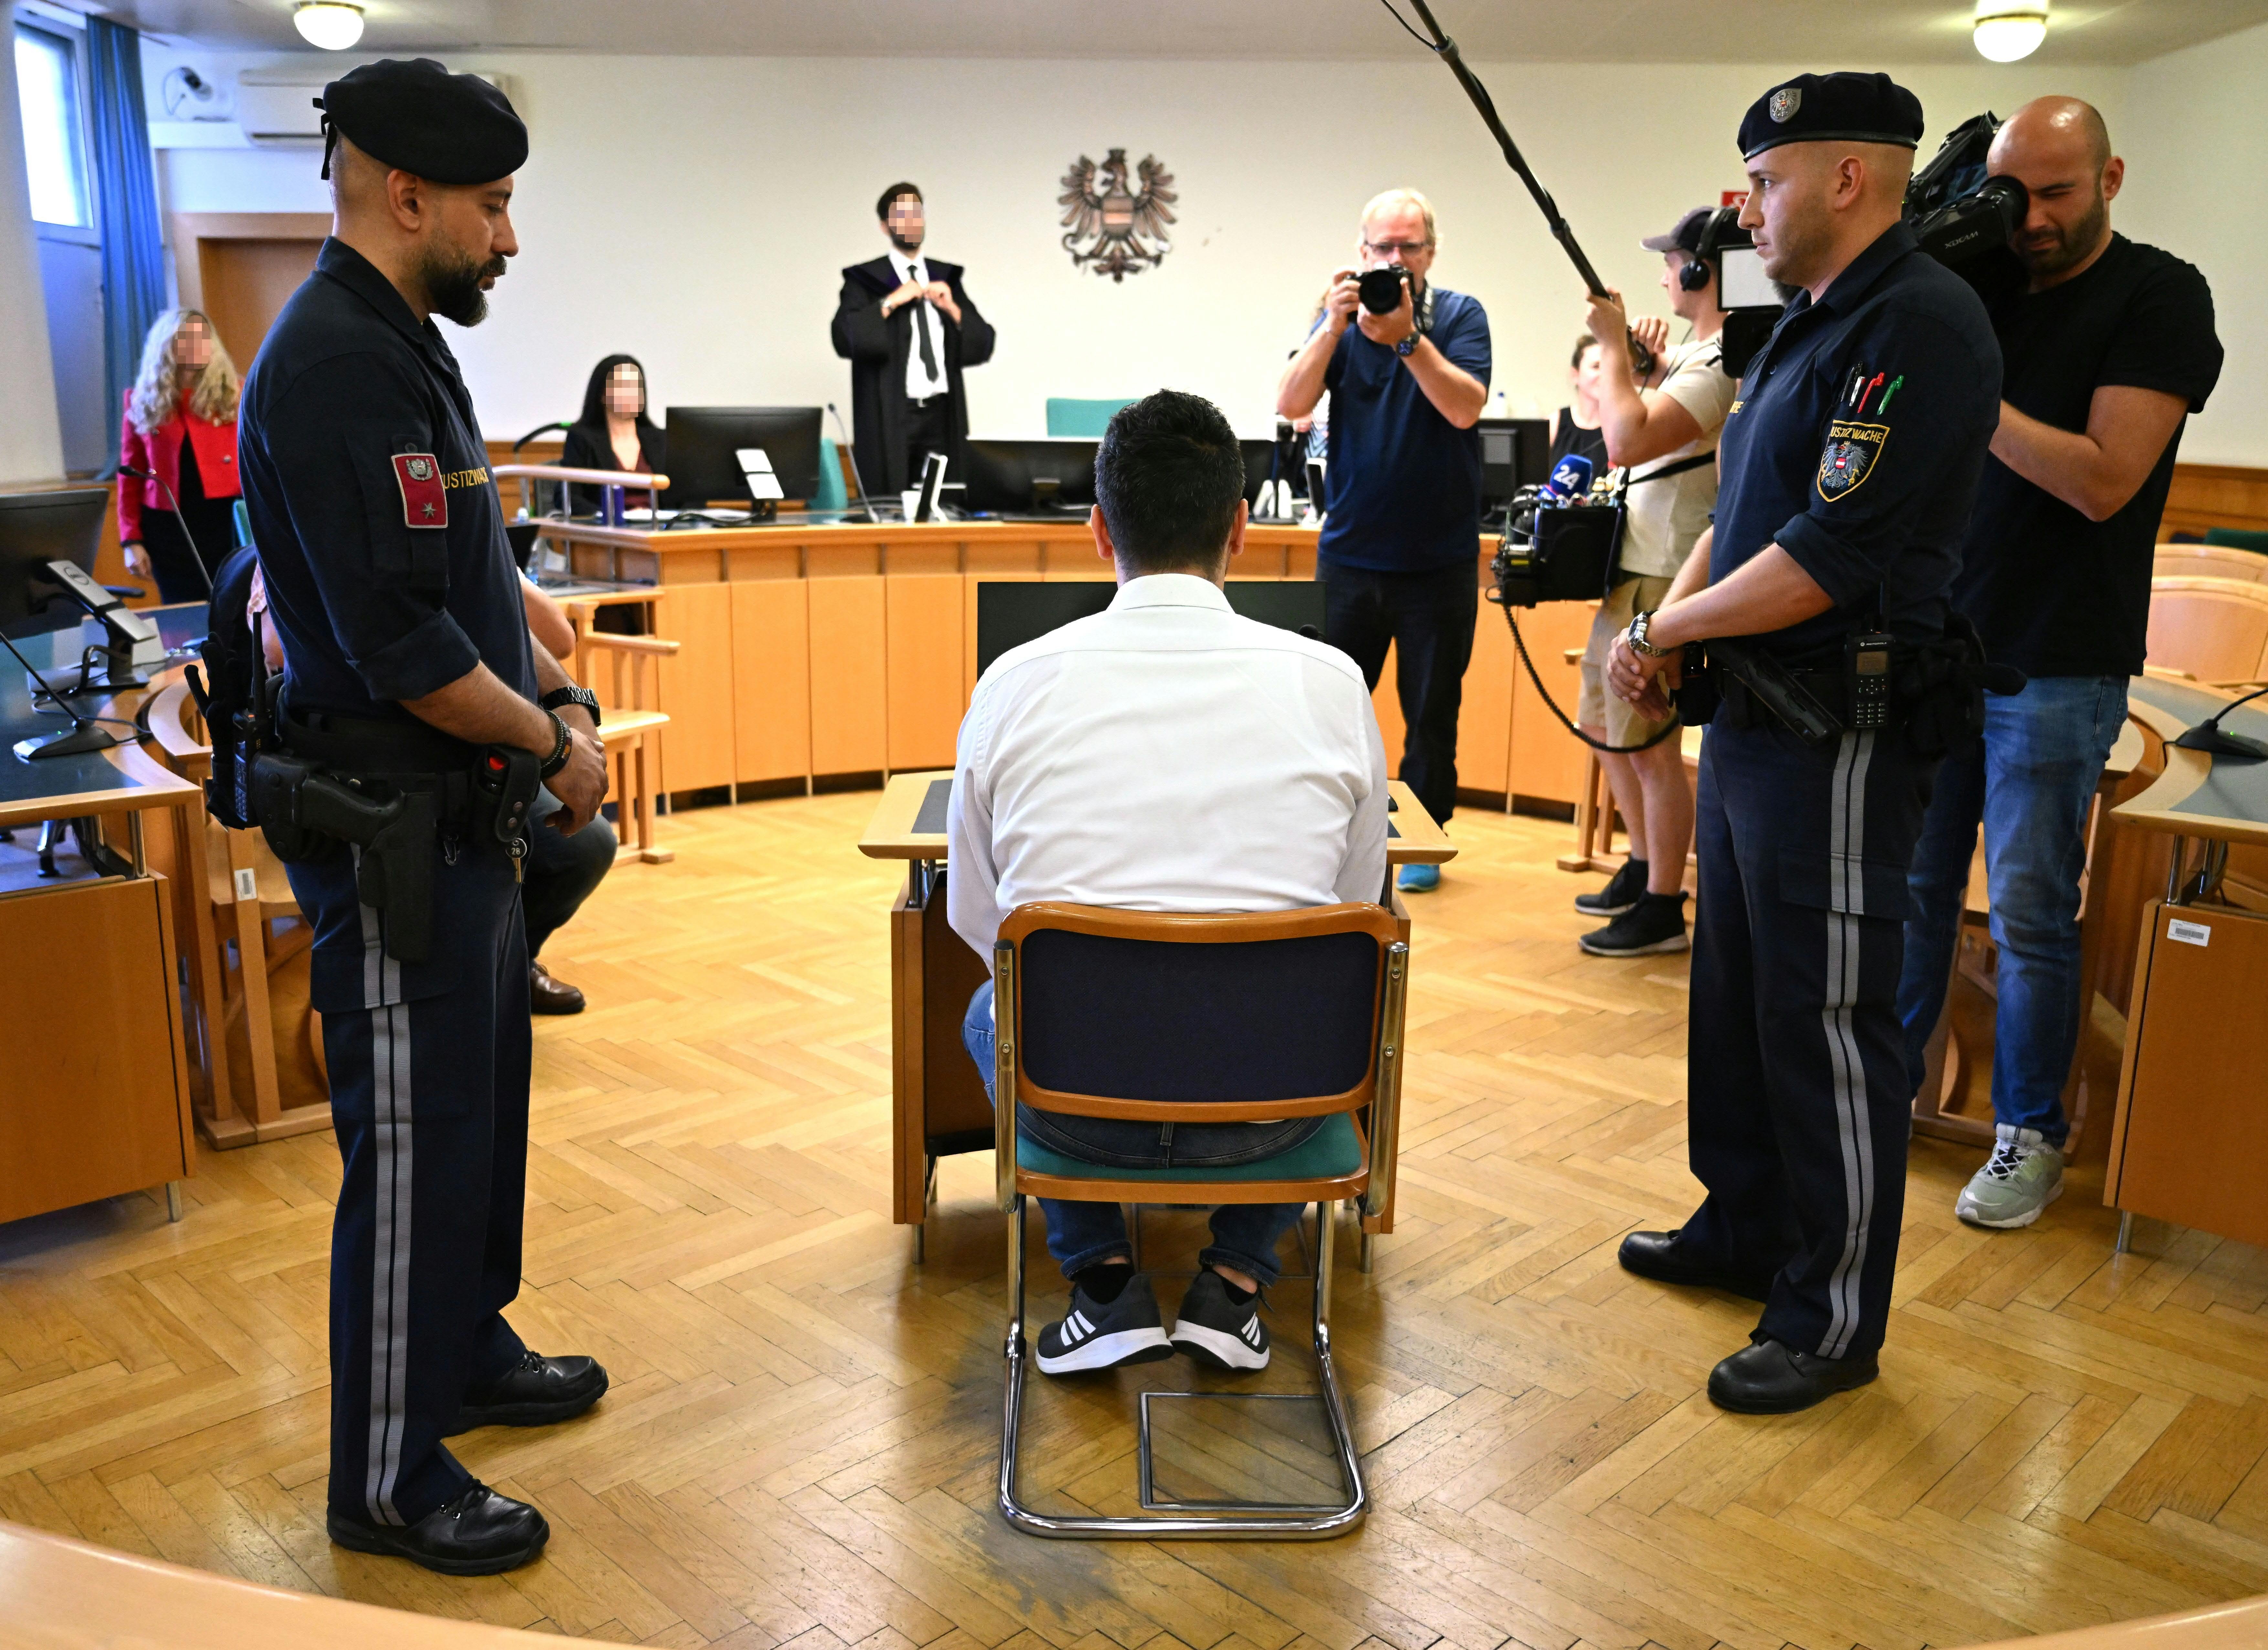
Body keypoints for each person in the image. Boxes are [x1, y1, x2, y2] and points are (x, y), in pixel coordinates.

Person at [237, 58, 613, 1575]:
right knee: (410, 1148)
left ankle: (460, 1349)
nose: (508, 237)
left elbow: (457, 560)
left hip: (456, 820)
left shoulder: (405, 343)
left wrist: (539, 650)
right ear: (408, 196)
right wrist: (550, 738)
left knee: (475, 1114)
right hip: (390, 823)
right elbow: (398, 646)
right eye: (493, 205)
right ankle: (387, 1480)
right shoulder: (335, 361)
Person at [1606, 72, 2003, 1413]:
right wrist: (1668, 621)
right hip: (1752, 717)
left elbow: (1827, 555)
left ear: (1846, 178)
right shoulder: (1801, 325)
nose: (1745, 208)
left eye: (1766, 181)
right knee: (1735, 999)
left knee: (1824, 1019)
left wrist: (1667, 630)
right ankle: (1742, 1226)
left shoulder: (1916, 325)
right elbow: (1742, 513)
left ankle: (1831, 1317)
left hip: (1839, 727)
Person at [947, 390, 1388, 1376]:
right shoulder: (1332, 683)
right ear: (1240, 527)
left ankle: (1103, 1283)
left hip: (1073, 1107)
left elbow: (980, 922)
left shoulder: (1012, 683)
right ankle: (1234, 1278)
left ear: (1098, 530)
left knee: (989, 1008)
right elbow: (1356, 910)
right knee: (1337, 997)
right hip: (1275, 1109)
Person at [1898, 98, 2223, 1229]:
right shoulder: (1978, 284)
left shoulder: (2157, 295)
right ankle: (1885, 1095)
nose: (2029, 219)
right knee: (1913, 894)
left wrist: (1966, 395)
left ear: (2109, 178)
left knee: (2029, 913)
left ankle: (2028, 1132)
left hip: (2056, 657)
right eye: (2011, 194)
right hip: (1936, 643)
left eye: (2055, 193)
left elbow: (2099, 480)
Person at [1276, 188, 1490, 894]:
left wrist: (1405, 339)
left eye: (1408, 247)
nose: (1394, 260)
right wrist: (1329, 328)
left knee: (1430, 714)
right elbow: (1290, 403)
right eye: (1382, 248)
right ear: (1361, 252)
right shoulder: (1338, 319)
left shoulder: (1458, 316)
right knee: (1326, 709)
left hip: (1438, 561)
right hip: (1349, 555)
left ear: (1430, 252)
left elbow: (1464, 409)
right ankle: (1321, 834)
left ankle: (1422, 838)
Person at [1571, 212, 1740, 957]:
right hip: (1635, 564)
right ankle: (1642, 864)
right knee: (1609, 731)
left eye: (1671, 261)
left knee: (1650, 746)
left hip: (1664, 570)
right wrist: (1641, 366)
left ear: (1702, 271)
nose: (1663, 275)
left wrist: (1611, 348)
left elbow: (1626, 440)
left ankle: (1663, 903)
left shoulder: (1723, 358)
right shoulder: (1695, 355)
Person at [831, 183, 996, 499]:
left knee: (946, 502)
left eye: (916, 213)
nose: (912, 222)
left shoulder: (946, 278)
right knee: (891, 505)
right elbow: (845, 338)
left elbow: (983, 343)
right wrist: (891, 301)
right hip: (891, 415)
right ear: (885, 226)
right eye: (902, 215)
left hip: (940, 414)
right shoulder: (864, 281)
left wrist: (952, 309)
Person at [518, 575, 617, 1014]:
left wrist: (497, 564)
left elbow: (558, 638)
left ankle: (513, 960)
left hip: (486, 751)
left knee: (584, 844)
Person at [118, 310, 242, 603]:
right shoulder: (141, 400)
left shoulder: (235, 393)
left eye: (202, 338)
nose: (196, 346)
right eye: (186, 339)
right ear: (166, 346)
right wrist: (131, 540)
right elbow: (130, 476)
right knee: (182, 612)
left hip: (226, 521)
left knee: (234, 609)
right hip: (168, 529)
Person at [559, 354, 664, 515]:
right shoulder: (582, 438)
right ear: (601, 394)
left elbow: (683, 495)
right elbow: (567, 497)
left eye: (637, 386)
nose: (632, 393)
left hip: (659, 525)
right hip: (608, 526)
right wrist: (609, 517)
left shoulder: (661, 439)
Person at [1545, 333, 1610, 480]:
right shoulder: (1554, 423)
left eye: (1609, 367)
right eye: (1596, 367)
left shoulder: (1623, 427)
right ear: (1575, 375)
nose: (1605, 374)